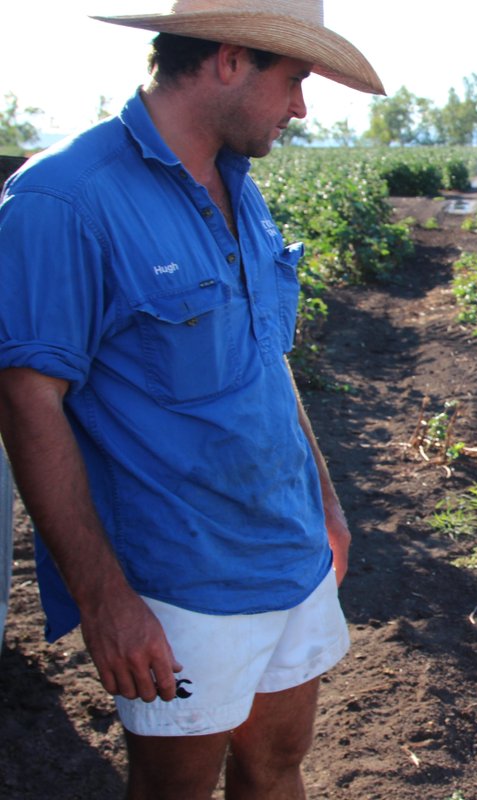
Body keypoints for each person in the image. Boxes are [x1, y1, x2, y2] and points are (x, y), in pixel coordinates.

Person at [0, 1, 384, 796]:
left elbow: (265, 362)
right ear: (230, 59)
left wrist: (325, 501)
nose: (302, 108)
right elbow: (26, 403)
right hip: (178, 583)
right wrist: (104, 599)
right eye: (295, 80)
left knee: (278, 766)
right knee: (175, 788)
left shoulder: (241, 191)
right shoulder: (63, 200)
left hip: (288, 554)